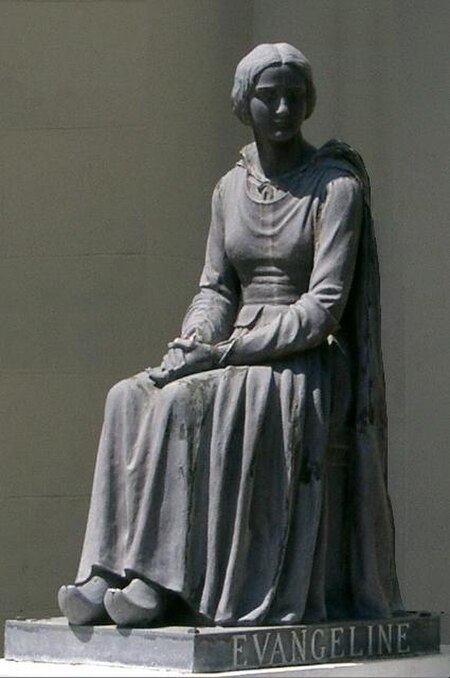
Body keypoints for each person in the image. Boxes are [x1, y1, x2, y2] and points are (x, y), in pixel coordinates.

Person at [58, 43, 403, 628]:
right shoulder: (229, 189)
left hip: (304, 361)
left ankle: (158, 583)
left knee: (182, 404)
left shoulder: (335, 186)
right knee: (127, 397)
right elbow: (216, 288)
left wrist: (221, 353)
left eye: (295, 96)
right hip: (230, 347)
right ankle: (104, 572)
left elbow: (322, 309)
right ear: (246, 102)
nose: (283, 107)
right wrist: (193, 340)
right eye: (270, 96)